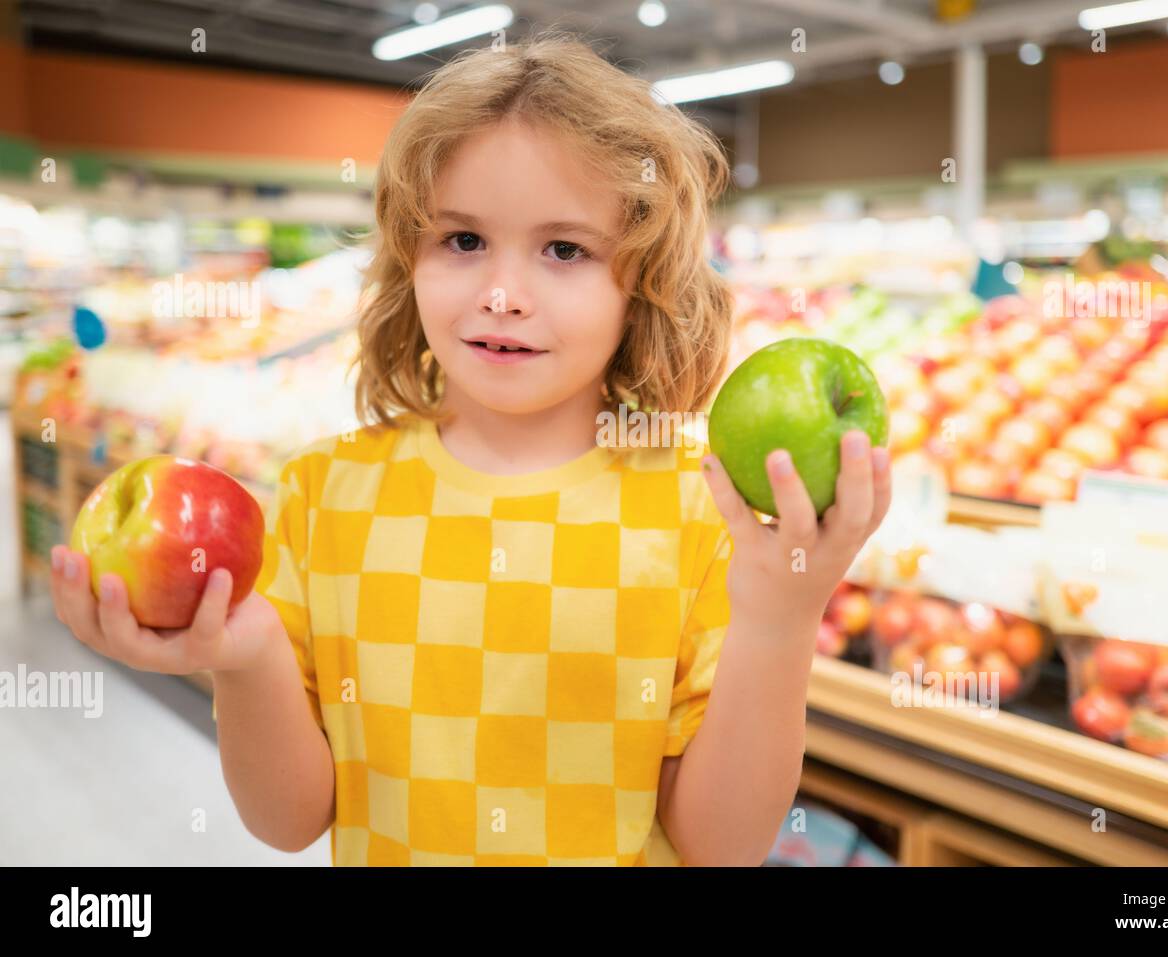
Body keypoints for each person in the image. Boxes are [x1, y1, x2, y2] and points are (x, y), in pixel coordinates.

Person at [47, 32, 891, 866]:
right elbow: (288, 819)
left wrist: (780, 621)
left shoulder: (703, 513)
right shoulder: (325, 495)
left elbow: (723, 845)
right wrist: (246, 656)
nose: (501, 294)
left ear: (645, 283)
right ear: (406, 256)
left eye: (564, 249)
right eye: (462, 240)